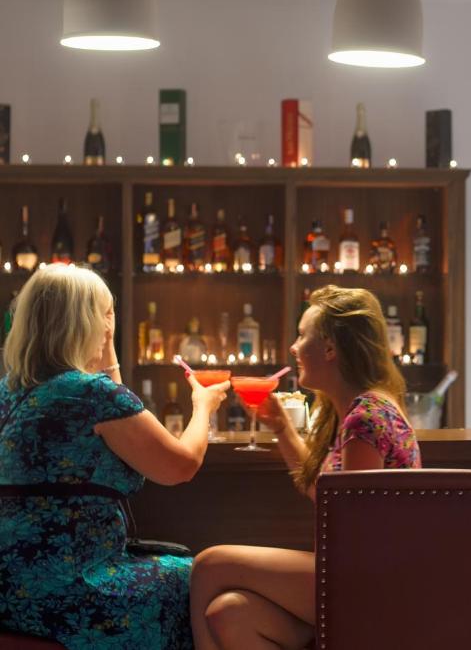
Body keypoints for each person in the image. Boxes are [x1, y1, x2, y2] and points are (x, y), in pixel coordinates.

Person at [0, 264, 229, 649]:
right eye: (105, 315)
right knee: (201, 578)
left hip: (10, 588)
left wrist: (107, 353)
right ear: (86, 323)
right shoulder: (88, 393)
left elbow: (119, 410)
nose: (110, 325)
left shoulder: (8, 391)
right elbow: (180, 466)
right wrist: (203, 406)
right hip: (71, 588)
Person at [189, 286, 421, 650]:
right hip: (360, 574)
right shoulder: (355, 410)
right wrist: (282, 427)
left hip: (370, 583)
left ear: (329, 348)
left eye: (302, 335)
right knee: (229, 613)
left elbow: (350, 527)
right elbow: (328, 494)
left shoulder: (366, 417)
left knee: (208, 565)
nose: (294, 347)